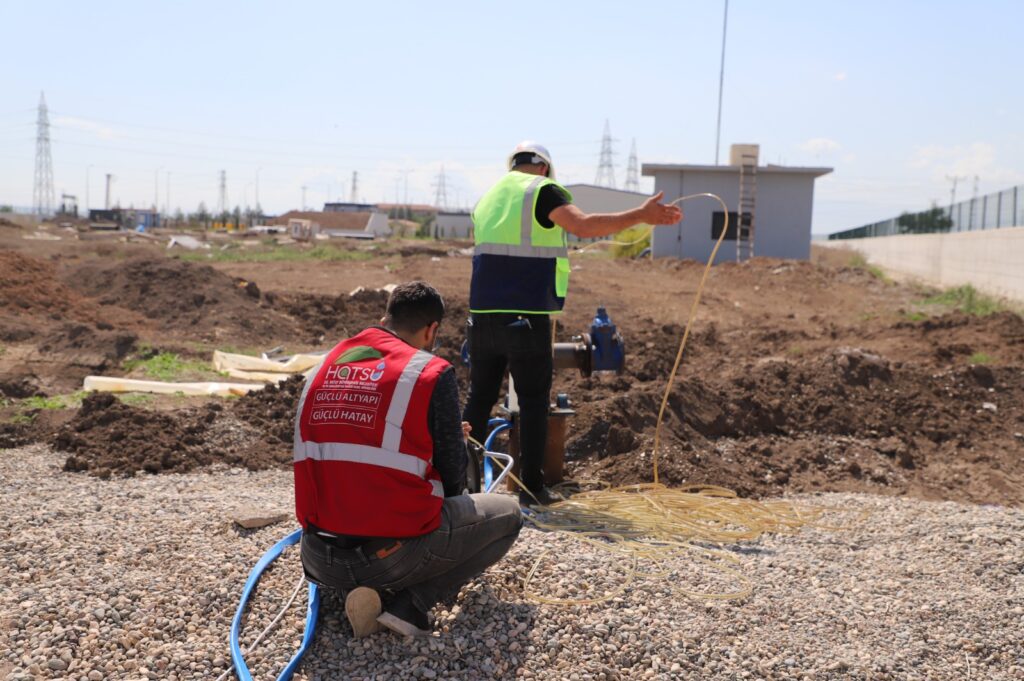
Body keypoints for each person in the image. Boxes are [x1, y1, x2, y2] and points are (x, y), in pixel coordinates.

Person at [295, 281, 523, 638]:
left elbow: (358, 440)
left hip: (318, 558)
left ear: (384, 319)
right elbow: (452, 478)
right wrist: (453, 444)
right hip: (393, 557)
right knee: (510, 515)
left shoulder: (325, 365)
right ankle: (412, 604)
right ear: (431, 330)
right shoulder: (429, 372)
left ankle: (354, 593)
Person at [463, 141, 683, 507]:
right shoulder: (542, 190)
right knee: (533, 401)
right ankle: (532, 490)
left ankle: (459, 486)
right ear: (544, 168)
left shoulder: (488, 198)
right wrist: (641, 215)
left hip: (482, 315)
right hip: (526, 316)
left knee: (479, 400)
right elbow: (582, 225)